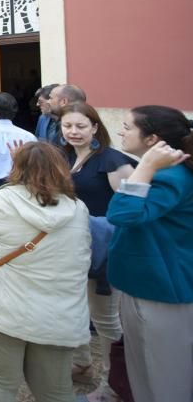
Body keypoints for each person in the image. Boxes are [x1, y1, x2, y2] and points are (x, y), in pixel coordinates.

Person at [0, 142, 91, 402]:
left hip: (5, 305)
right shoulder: (77, 209)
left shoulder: (0, 200)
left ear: (16, 168)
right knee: (55, 389)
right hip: (59, 311)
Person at [107, 106, 193, 402]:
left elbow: (122, 214)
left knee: (164, 378)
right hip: (148, 283)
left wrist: (145, 167)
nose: (121, 131)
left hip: (161, 287)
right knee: (144, 370)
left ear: (152, 139)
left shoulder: (170, 176)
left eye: (128, 127)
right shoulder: (167, 173)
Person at [58, 102, 135, 400]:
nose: (73, 132)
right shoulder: (66, 157)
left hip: (105, 252)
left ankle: (114, 384)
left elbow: (131, 210)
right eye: (68, 126)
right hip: (76, 249)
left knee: (105, 319)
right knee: (76, 310)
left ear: (94, 127)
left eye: (80, 126)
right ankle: (81, 364)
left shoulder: (112, 161)